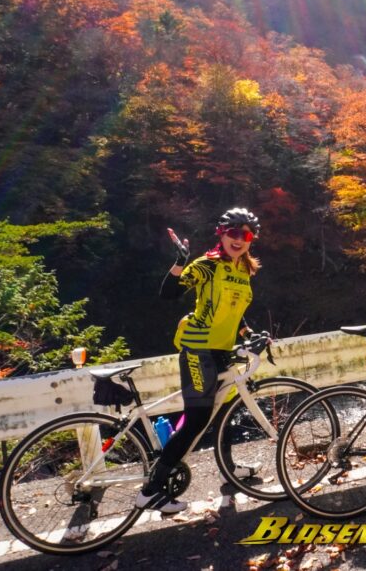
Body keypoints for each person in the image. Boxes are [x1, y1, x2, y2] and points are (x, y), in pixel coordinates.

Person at [135, 208, 262, 513]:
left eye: (246, 235)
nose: (239, 240)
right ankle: (150, 491)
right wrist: (180, 263)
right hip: (198, 349)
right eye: (233, 233)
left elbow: (235, 309)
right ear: (221, 233)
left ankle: (229, 468)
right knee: (196, 421)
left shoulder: (243, 269)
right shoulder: (208, 265)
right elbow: (168, 294)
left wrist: (249, 333)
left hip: (223, 349)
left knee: (223, 411)